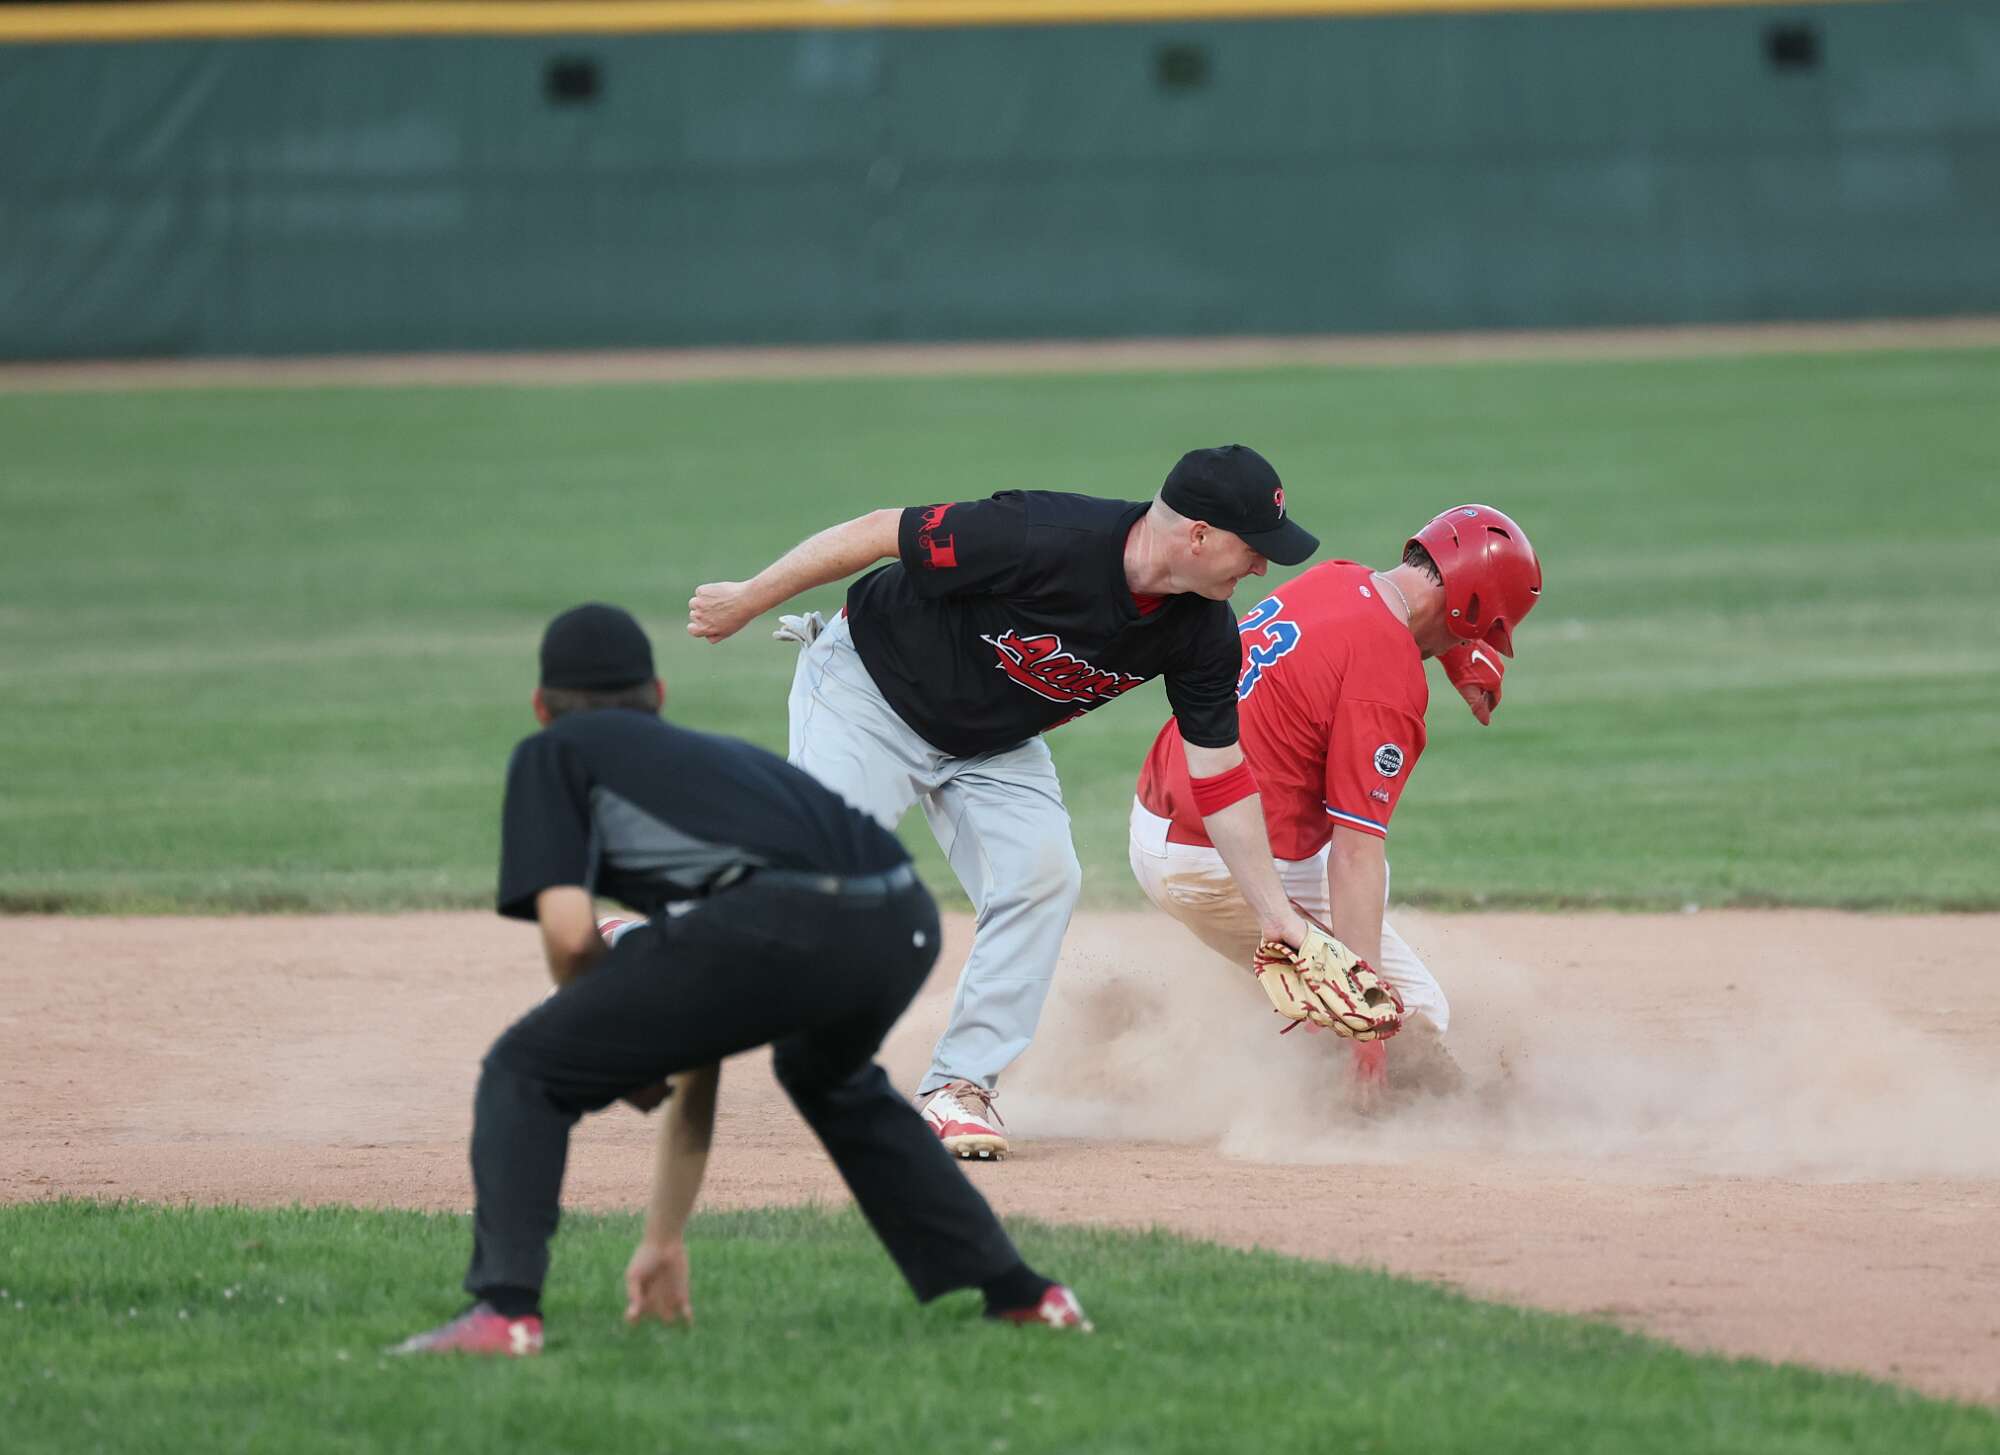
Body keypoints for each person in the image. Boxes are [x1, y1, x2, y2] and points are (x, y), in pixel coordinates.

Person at [392, 603, 1090, 1357]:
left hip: (780, 918)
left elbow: (567, 933)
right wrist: (664, 1237)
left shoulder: (554, 753)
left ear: (540, 707)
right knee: (832, 1082)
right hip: (898, 916)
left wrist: (609, 1034)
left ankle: (504, 1310)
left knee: (523, 1069)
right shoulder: (714, 764)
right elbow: (711, 1021)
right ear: (658, 697)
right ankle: (1024, 1294)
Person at [687, 446, 1323, 1159]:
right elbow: (879, 530)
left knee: (1042, 876)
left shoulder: (1203, 632)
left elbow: (1222, 778)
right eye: (1253, 547)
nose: (1261, 567)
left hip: (992, 743)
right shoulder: (1040, 535)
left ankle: (959, 1083)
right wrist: (748, 598)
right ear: (1198, 535)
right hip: (869, 692)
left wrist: (1275, 916)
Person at [1128, 505, 1542, 1096]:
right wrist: (1366, 1022)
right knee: (1413, 1018)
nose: (1474, 641)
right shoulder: (1388, 684)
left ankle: (1287, 1031)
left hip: (1165, 811)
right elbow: (1354, 856)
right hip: (1213, 862)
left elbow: (1415, 607)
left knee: (1353, 891)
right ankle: (1332, 1105)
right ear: (1465, 611)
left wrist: (1455, 649)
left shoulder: (1338, 577)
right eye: (1477, 629)